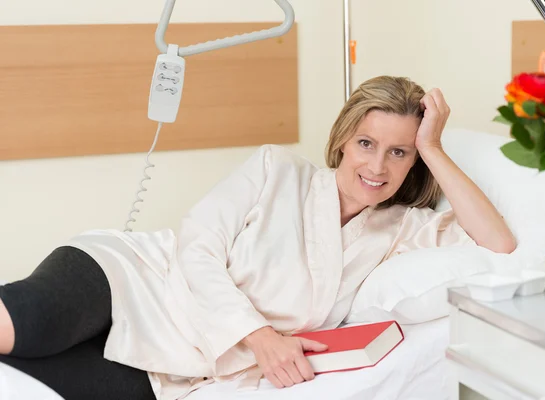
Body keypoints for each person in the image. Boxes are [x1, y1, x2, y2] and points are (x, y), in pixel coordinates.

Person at [0, 76, 516, 400]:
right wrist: (259, 337)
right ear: (342, 139)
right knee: (34, 323)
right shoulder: (276, 168)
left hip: (185, 369)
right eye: (366, 142)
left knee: (27, 378)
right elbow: (196, 247)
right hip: (137, 281)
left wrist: (434, 146)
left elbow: (498, 246)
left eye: (399, 152)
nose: (377, 165)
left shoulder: (403, 230)